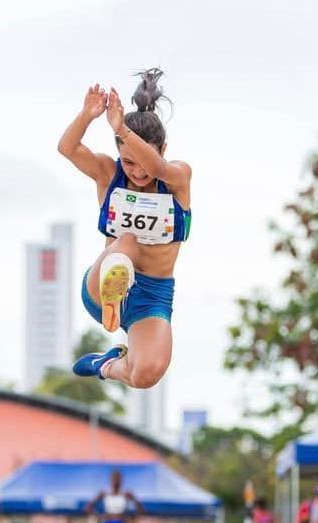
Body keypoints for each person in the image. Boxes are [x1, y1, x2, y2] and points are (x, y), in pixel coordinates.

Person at [59, 69, 192, 390]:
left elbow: (157, 168)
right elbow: (67, 148)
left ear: (162, 149)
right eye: (128, 162)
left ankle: (106, 364)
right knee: (127, 241)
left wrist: (121, 128)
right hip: (103, 281)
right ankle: (114, 288)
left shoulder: (177, 177)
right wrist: (87, 116)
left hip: (152, 297)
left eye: (142, 162)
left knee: (145, 374)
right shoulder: (108, 172)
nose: (137, 172)